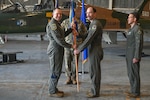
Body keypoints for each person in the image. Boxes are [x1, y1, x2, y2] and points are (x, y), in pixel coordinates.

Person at [74, 7, 103, 98]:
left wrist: (79, 49)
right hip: (92, 50)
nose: (88, 14)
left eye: (90, 13)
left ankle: (95, 92)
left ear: (95, 14)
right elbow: (87, 36)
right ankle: (94, 89)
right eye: (87, 13)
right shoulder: (92, 24)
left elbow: (89, 39)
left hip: (95, 50)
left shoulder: (95, 24)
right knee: (93, 71)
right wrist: (78, 34)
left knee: (95, 72)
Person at [46, 8, 75, 98]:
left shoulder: (57, 24)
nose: (59, 15)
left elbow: (62, 35)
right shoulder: (53, 25)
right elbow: (59, 39)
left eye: (60, 14)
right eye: (57, 14)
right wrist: (70, 46)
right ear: (53, 14)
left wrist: (71, 29)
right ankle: (52, 91)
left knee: (57, 70)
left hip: (58, 49)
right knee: (55, 71)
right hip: (55, 50)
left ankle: (54, 88)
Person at [61, 17, 87, 85]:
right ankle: (68, 77)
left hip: (77, 45)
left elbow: (85, 34)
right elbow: (61, 33)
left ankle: (74, 78)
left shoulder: (80, 23)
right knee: (67, 62)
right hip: (68, 45)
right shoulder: (65, 22)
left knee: (75, 63)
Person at [125, 12, 143, 98]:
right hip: (129, 55)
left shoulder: (137, 29)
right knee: (130, 73)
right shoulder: (131, 29)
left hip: (133, 55)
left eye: (130, 17)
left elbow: (138, 44)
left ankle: (136, 92)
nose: (128, 19)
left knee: (134, 74)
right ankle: (133, 90)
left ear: (135, 19)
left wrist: (136, 56)